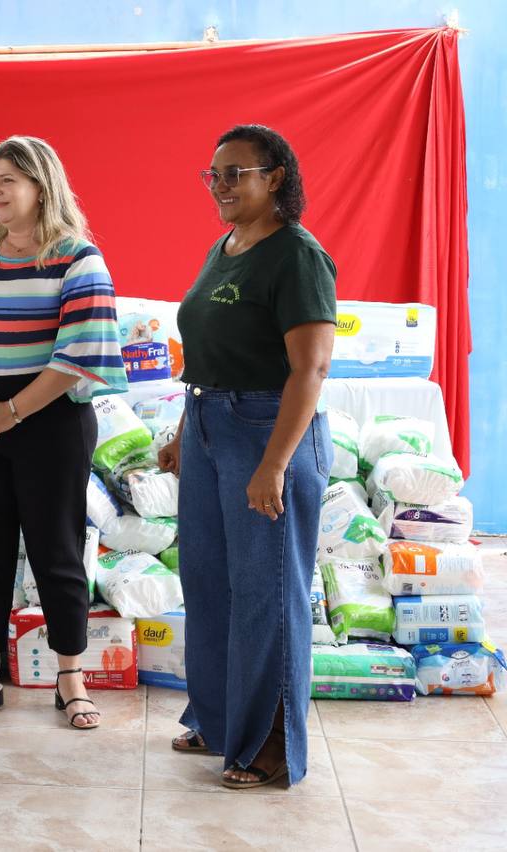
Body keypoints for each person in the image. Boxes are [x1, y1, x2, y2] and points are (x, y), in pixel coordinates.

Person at [159, 124, 336, 789]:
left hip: (267, 429)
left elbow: (310, 369)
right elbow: (206, 354)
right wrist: (186, 431)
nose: (223, 187)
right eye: (215, 175)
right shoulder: (226, 246)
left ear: (277, 178)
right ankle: (219, 717)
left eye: (238, 173)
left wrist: (275, 464)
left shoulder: (297, 255)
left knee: (266, 591)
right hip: (208, 423)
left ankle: (268, 745)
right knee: (207, 582)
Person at [0, 136, 127, 728]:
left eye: (9, 179)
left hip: (52, 424)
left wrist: (10, 412)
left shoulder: (78, 259)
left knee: (57, 553)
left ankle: (70, 679)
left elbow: (78, 356)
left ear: (42, 186)